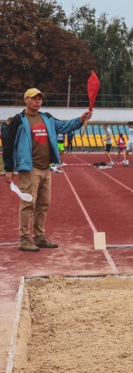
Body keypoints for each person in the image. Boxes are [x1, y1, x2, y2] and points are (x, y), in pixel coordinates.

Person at [2, 88, 92, 252]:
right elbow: (8, 145)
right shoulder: (19, 120)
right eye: (34, 98)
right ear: (25, 100)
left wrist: (80, 119)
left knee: (43, 204)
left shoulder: (47, 118)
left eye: (40, 98)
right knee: (28, 204)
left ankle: (39, 237)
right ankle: (24, 239)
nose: (38, 101)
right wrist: (8, 169)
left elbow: (64, 126)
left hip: (46, 169)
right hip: (29, 169)